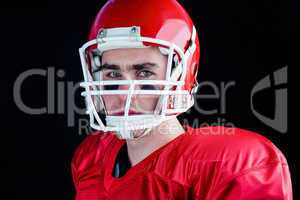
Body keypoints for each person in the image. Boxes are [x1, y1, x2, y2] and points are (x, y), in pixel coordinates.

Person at [71, 0, 293, 199]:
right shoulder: (92, 159)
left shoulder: (232, 167)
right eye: (113, 74)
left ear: (182, 75)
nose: (123, 92)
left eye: (144, 73)